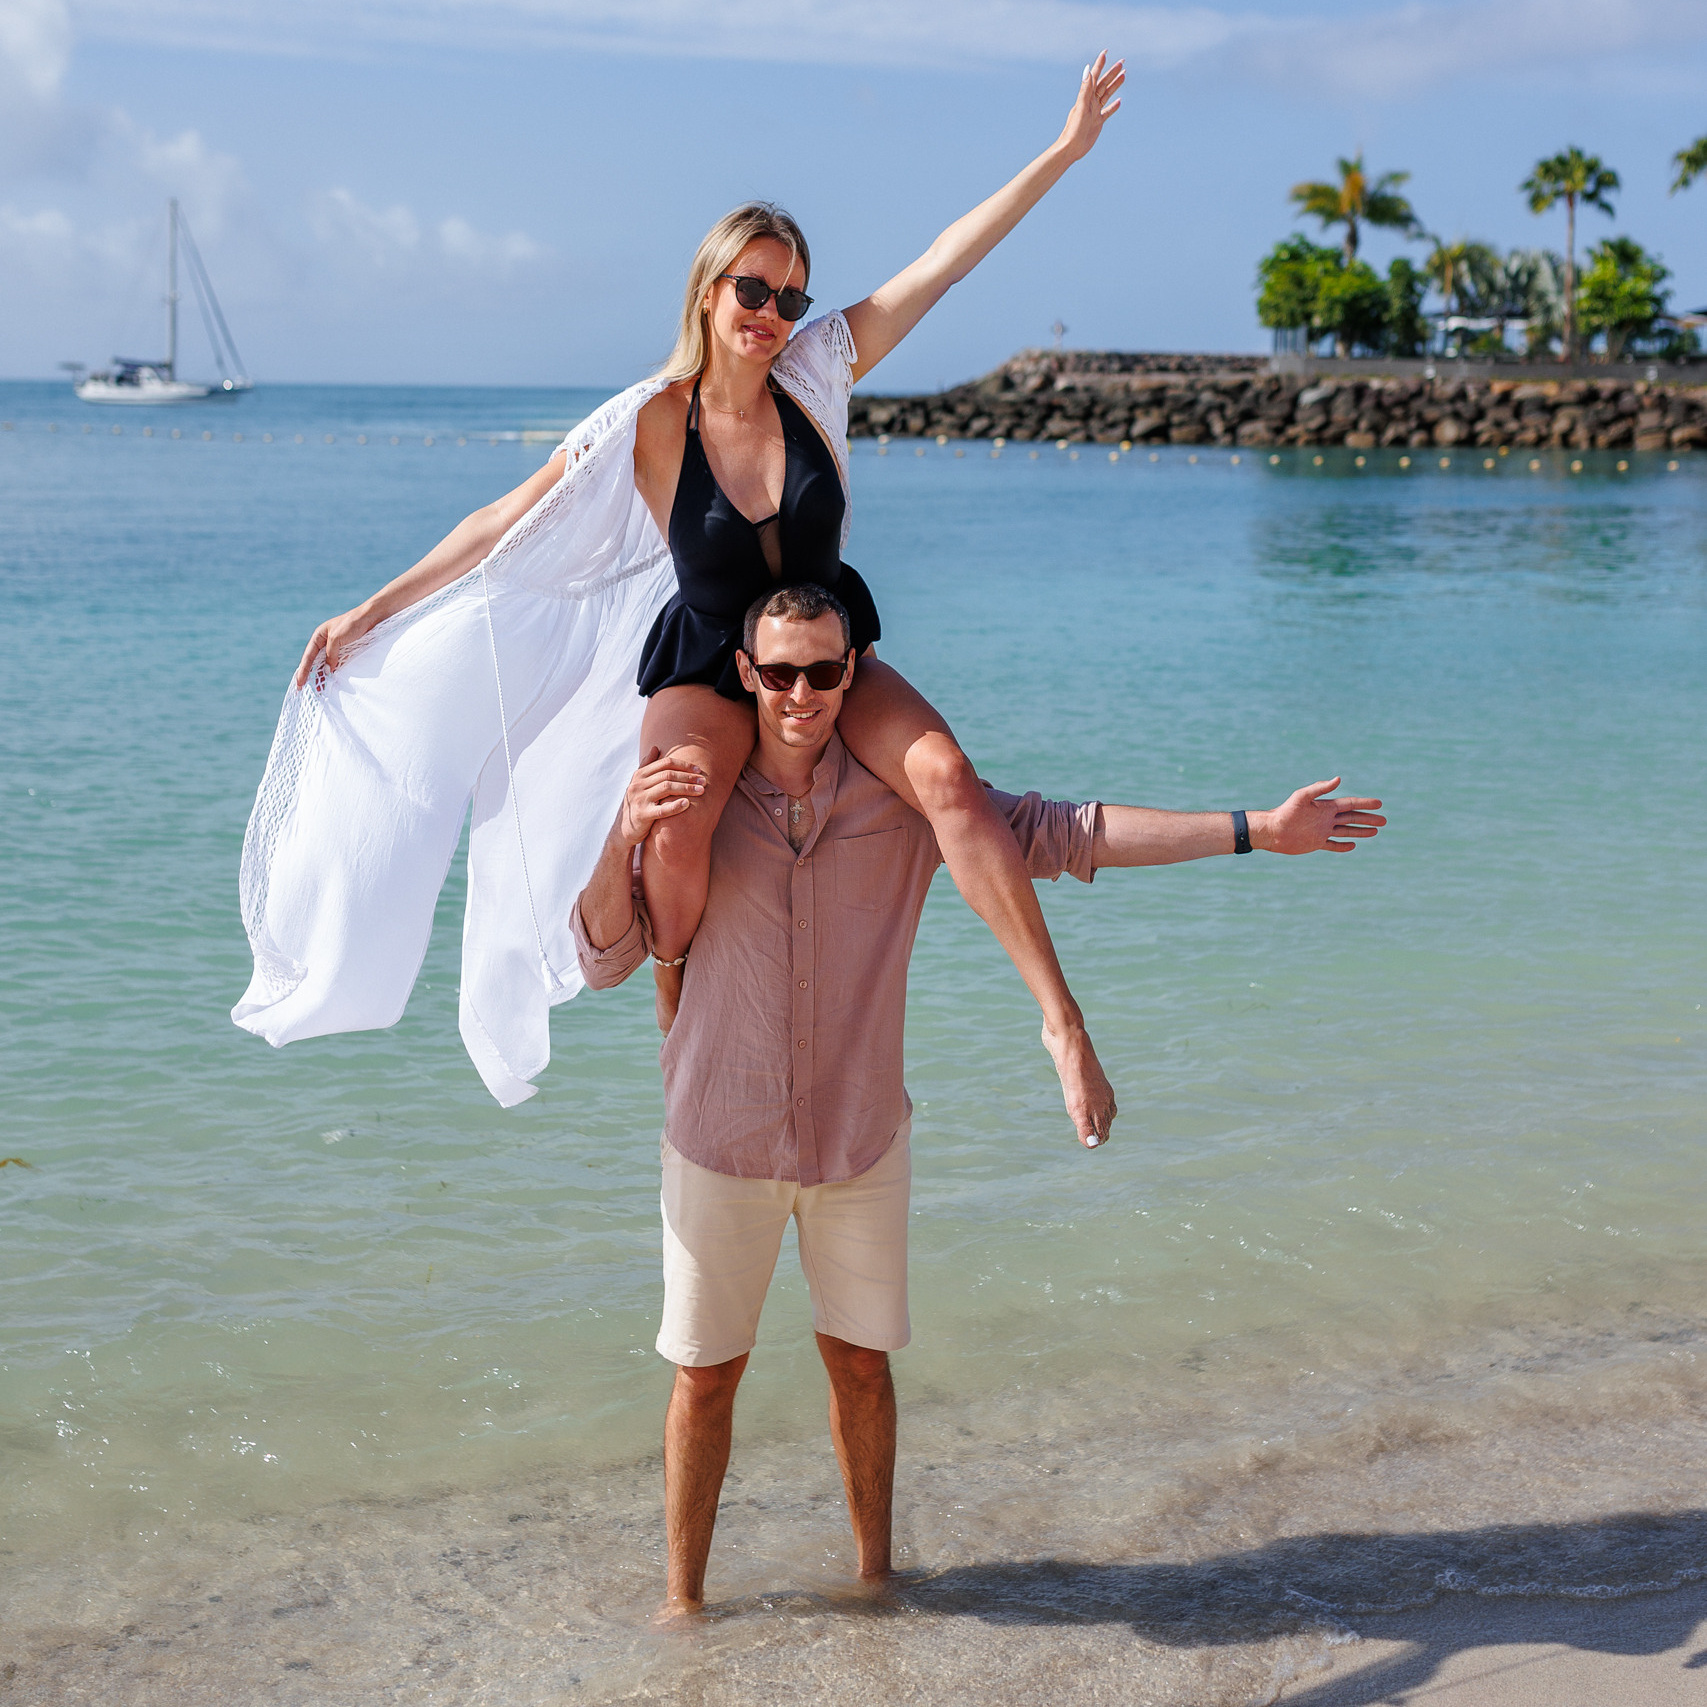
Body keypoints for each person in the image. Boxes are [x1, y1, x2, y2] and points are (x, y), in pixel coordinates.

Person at [238, 58, 1129, 1133]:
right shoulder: (650, 422)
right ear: (709, 290)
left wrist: (1068, 151)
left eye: (790, 295)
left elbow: (944, 264)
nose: (773, 313)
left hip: (827, 647)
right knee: (670, 823)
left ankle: (1061, 1025)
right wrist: (370, 611)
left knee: (945, 775)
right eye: (753, 290)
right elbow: (500, 525)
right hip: (709, 662)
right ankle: (675, 1008)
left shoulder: (821, 373)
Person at [572, 584, 1385, 1614]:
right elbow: (602, 959)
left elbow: (1068, 833)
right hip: (717, 1139)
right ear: (745, 672)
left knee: (862, 1369)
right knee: (704, 1381)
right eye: (779, 672)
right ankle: (682, 1607)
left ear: (852, 672)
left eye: (824, 672)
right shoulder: (693, 810)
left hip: (858, 1140)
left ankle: (877, 1583)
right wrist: (618, 837)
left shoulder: (901, 803)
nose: (801, 695)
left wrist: (1258, 829)